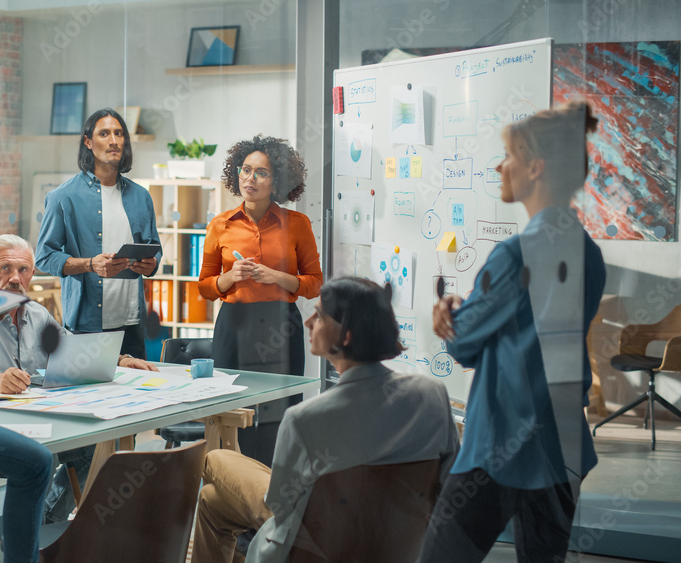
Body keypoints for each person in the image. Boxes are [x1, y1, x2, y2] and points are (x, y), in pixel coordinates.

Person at [418, 101, 606, 562]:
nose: (501, 166)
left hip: (499, 445)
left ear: (536, 167)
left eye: (508, 156)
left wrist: (448, 314)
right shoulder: (590, 253)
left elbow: (463, 343)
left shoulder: (514, 254)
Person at [192, 277, 460, 563]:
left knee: (215, 460)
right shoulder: (433, 396)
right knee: (212, 500)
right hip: (399, 547)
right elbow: (449, 482)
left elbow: (280, 509)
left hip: (315, 548)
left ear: (345, 335)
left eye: (319, 315)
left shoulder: (304, 419)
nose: (307, 321)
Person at [0, 233, 157, 525]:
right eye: (5, 268)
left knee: (99, 444)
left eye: (23, 270)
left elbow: (73, 351)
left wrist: (122, 360)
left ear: (32, 273)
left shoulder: (37, 314)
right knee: (39, 456)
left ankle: (47, 522)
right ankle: (30, 534)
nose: (15, 278)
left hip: (39, 419)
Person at [198, 135, 323, 464]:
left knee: (281, 414)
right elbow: (205, 288)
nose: (250, 179)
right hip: (233, 326)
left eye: (261, 173)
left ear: (277, 181)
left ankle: (276, 489)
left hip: (281, 326)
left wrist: (277, 277)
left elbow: (315, 285)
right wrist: (230, 276)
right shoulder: (220, 225)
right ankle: (233, 487)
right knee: (232, 411)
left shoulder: (297, 224)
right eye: (245, 170)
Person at [35, 108, 161, 360]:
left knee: (139, 396)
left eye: (118, 133)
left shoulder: (141, 196)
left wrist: (151, 264)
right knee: (89, 398)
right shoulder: (63, 197)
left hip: (132, 324)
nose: (113, 141)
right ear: (88, 142)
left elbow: (153, 248)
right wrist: (90, 265)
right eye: (104, 134)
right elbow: (44, 257)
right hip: (86, 326)